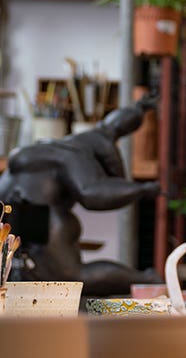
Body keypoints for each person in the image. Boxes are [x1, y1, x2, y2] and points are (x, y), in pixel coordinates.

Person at [0, 103, 160, 295]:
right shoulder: (74, 152)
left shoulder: (53, 146)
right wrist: (142, 189)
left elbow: (93, 194)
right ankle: (147, 279)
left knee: (71, 276)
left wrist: (140, 189)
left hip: (39, 216)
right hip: (19, 213)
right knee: (31, 274)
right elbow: (92, 193)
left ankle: (147, 280)